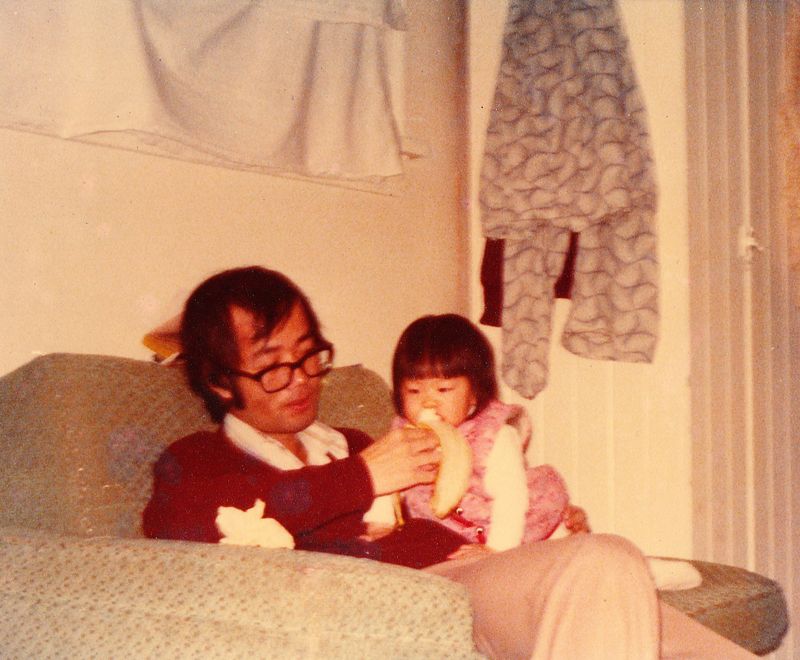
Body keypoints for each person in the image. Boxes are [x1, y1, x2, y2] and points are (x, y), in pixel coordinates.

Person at [143, 266, 756, 659]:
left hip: (466, 576)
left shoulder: (353, 441)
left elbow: (463, 506)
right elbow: (184, 526)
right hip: (403, 598)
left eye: (309, 355)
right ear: (220, 381)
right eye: (274, 367)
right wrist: (365, 477)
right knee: (602, 564)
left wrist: (543, 535)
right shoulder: (196, 461)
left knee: (608, 566)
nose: (303, 379)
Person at [390, 313, 588, 551]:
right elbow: (388, 484)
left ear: (474, 393)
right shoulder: (404, 436)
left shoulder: (493, 436)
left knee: (560, 544)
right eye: (414, 391)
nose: (428, 402)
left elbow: (511, 498)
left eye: (443, 389)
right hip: (456, 537)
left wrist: (496, 549)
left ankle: (569, 539)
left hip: (517, 527)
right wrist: (379, 521)